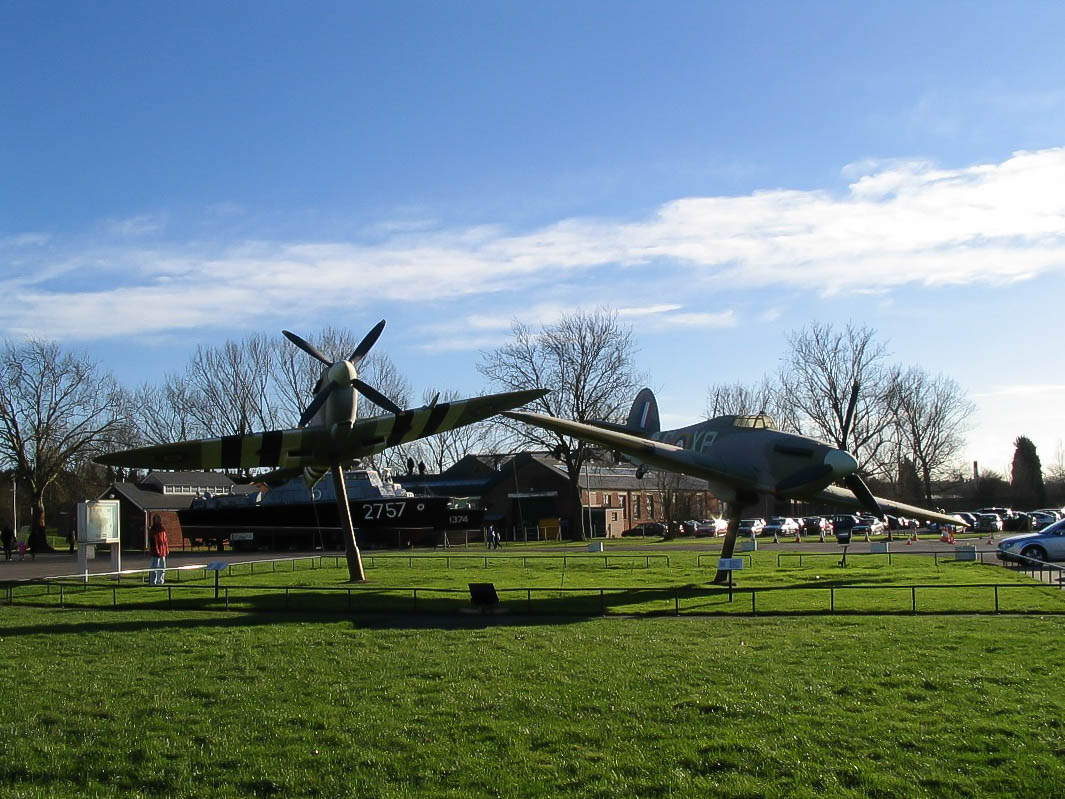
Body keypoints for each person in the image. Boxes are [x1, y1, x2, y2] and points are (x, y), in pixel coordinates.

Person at [148, 515, 170, 585]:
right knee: (154, 567)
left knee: (162, 567)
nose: (159, 520)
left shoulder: (162, 529)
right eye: (157, 519)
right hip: (156, 553)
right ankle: (152, 582)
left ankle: (160, 581)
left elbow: (165, 540)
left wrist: (166, 549)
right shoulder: (153, 530)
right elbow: (153, 542)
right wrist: (156, 551)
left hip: (162, 552)